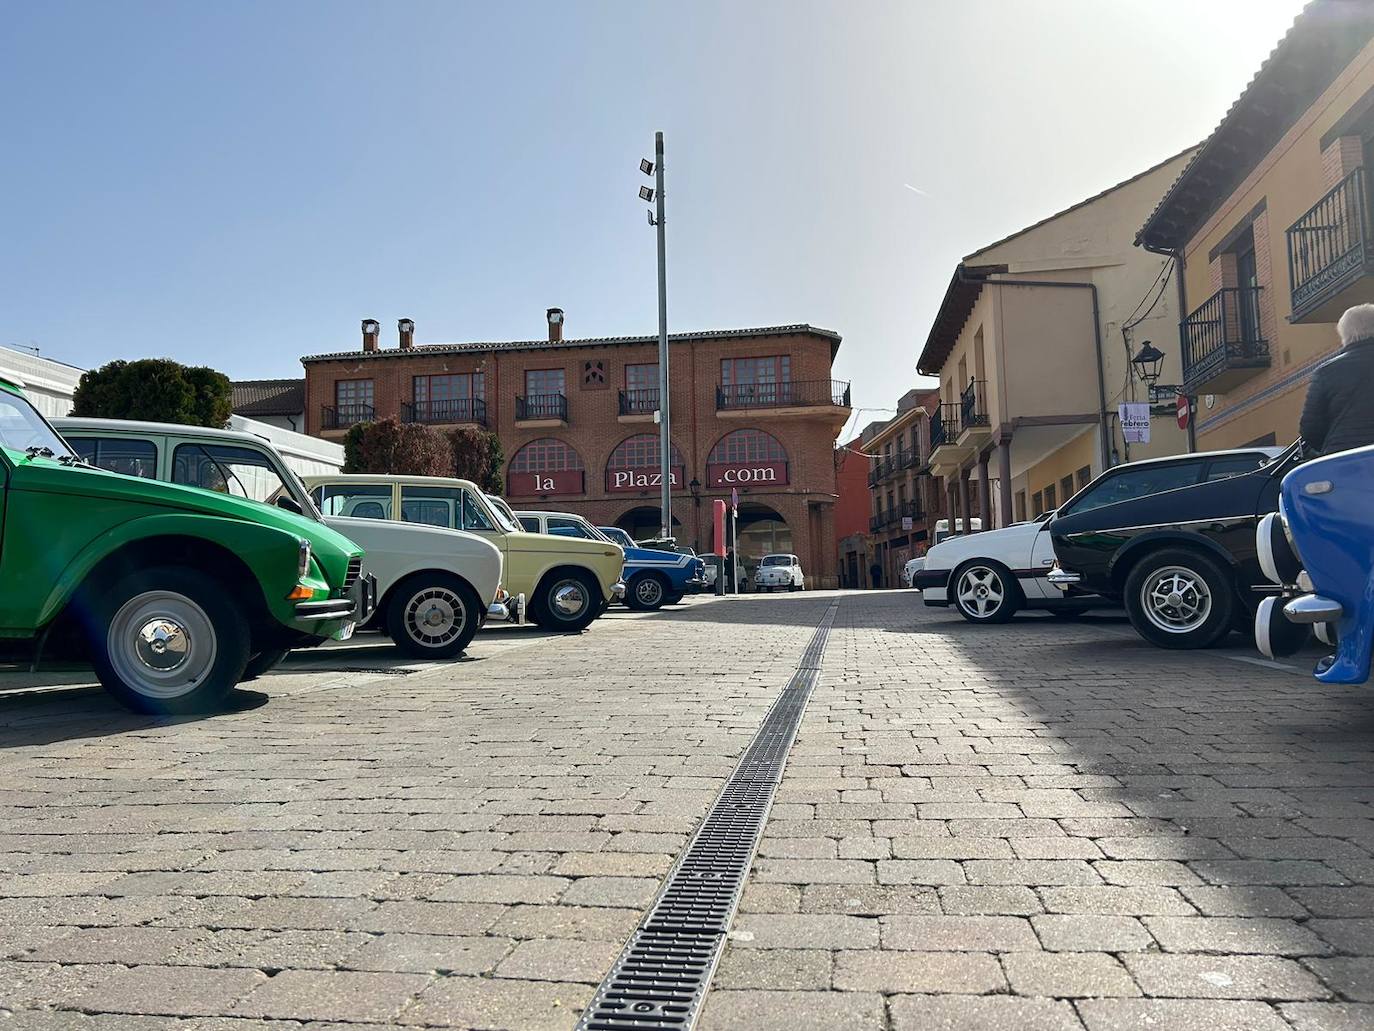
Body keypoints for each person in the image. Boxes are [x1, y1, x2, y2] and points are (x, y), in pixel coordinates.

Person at [1300, 304, 1374, 457]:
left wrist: (1331, 448)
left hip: (1346, 459)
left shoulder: (1326, 372)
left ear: (1344, 335)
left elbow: (1310, 429)